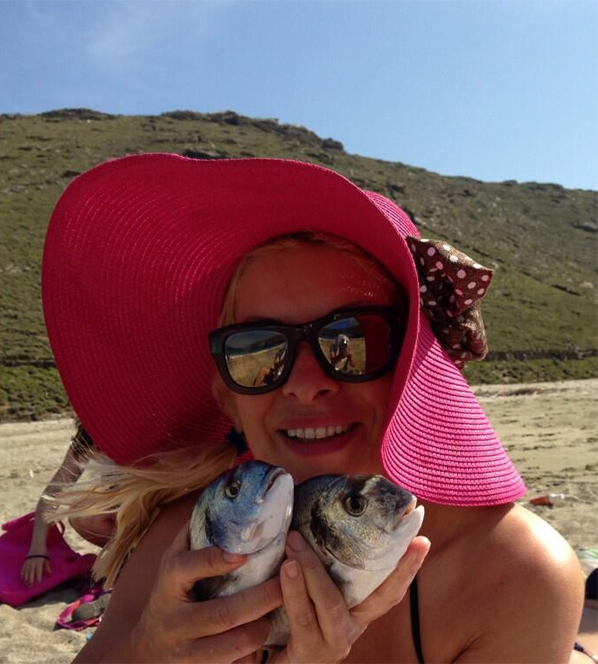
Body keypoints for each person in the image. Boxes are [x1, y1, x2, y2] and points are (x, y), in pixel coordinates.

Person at [41, 154, 584, 663]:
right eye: (257, 352)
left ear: (413, 367)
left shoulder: (510, 575)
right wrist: (144, 652)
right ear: (228, 397)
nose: (304, 385)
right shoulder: (185, 540)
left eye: (353, 341)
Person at [21, 419, 116, 586]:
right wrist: (37, 549)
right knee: (82, 515)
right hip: (124, 510)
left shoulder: (151, 424)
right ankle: (127, 559)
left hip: (155, 507)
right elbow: (53, 492)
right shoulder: (89, 439)